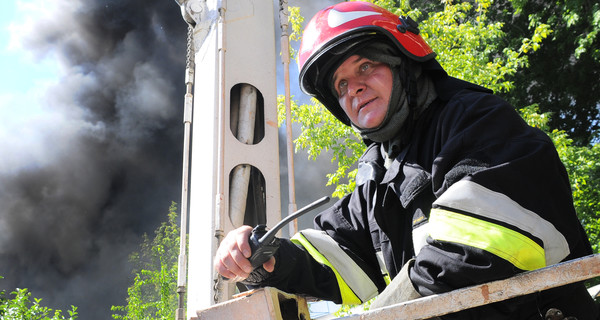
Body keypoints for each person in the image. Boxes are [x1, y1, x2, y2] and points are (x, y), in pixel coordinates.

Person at [214, 2, 599, 319]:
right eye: (341, 85)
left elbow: (468, 255)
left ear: (404, 64)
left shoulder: (476, 122)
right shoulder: (379, 175)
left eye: (365, 66)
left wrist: (383, 314)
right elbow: (343, 259)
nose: (355, 88)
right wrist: (267, 257)